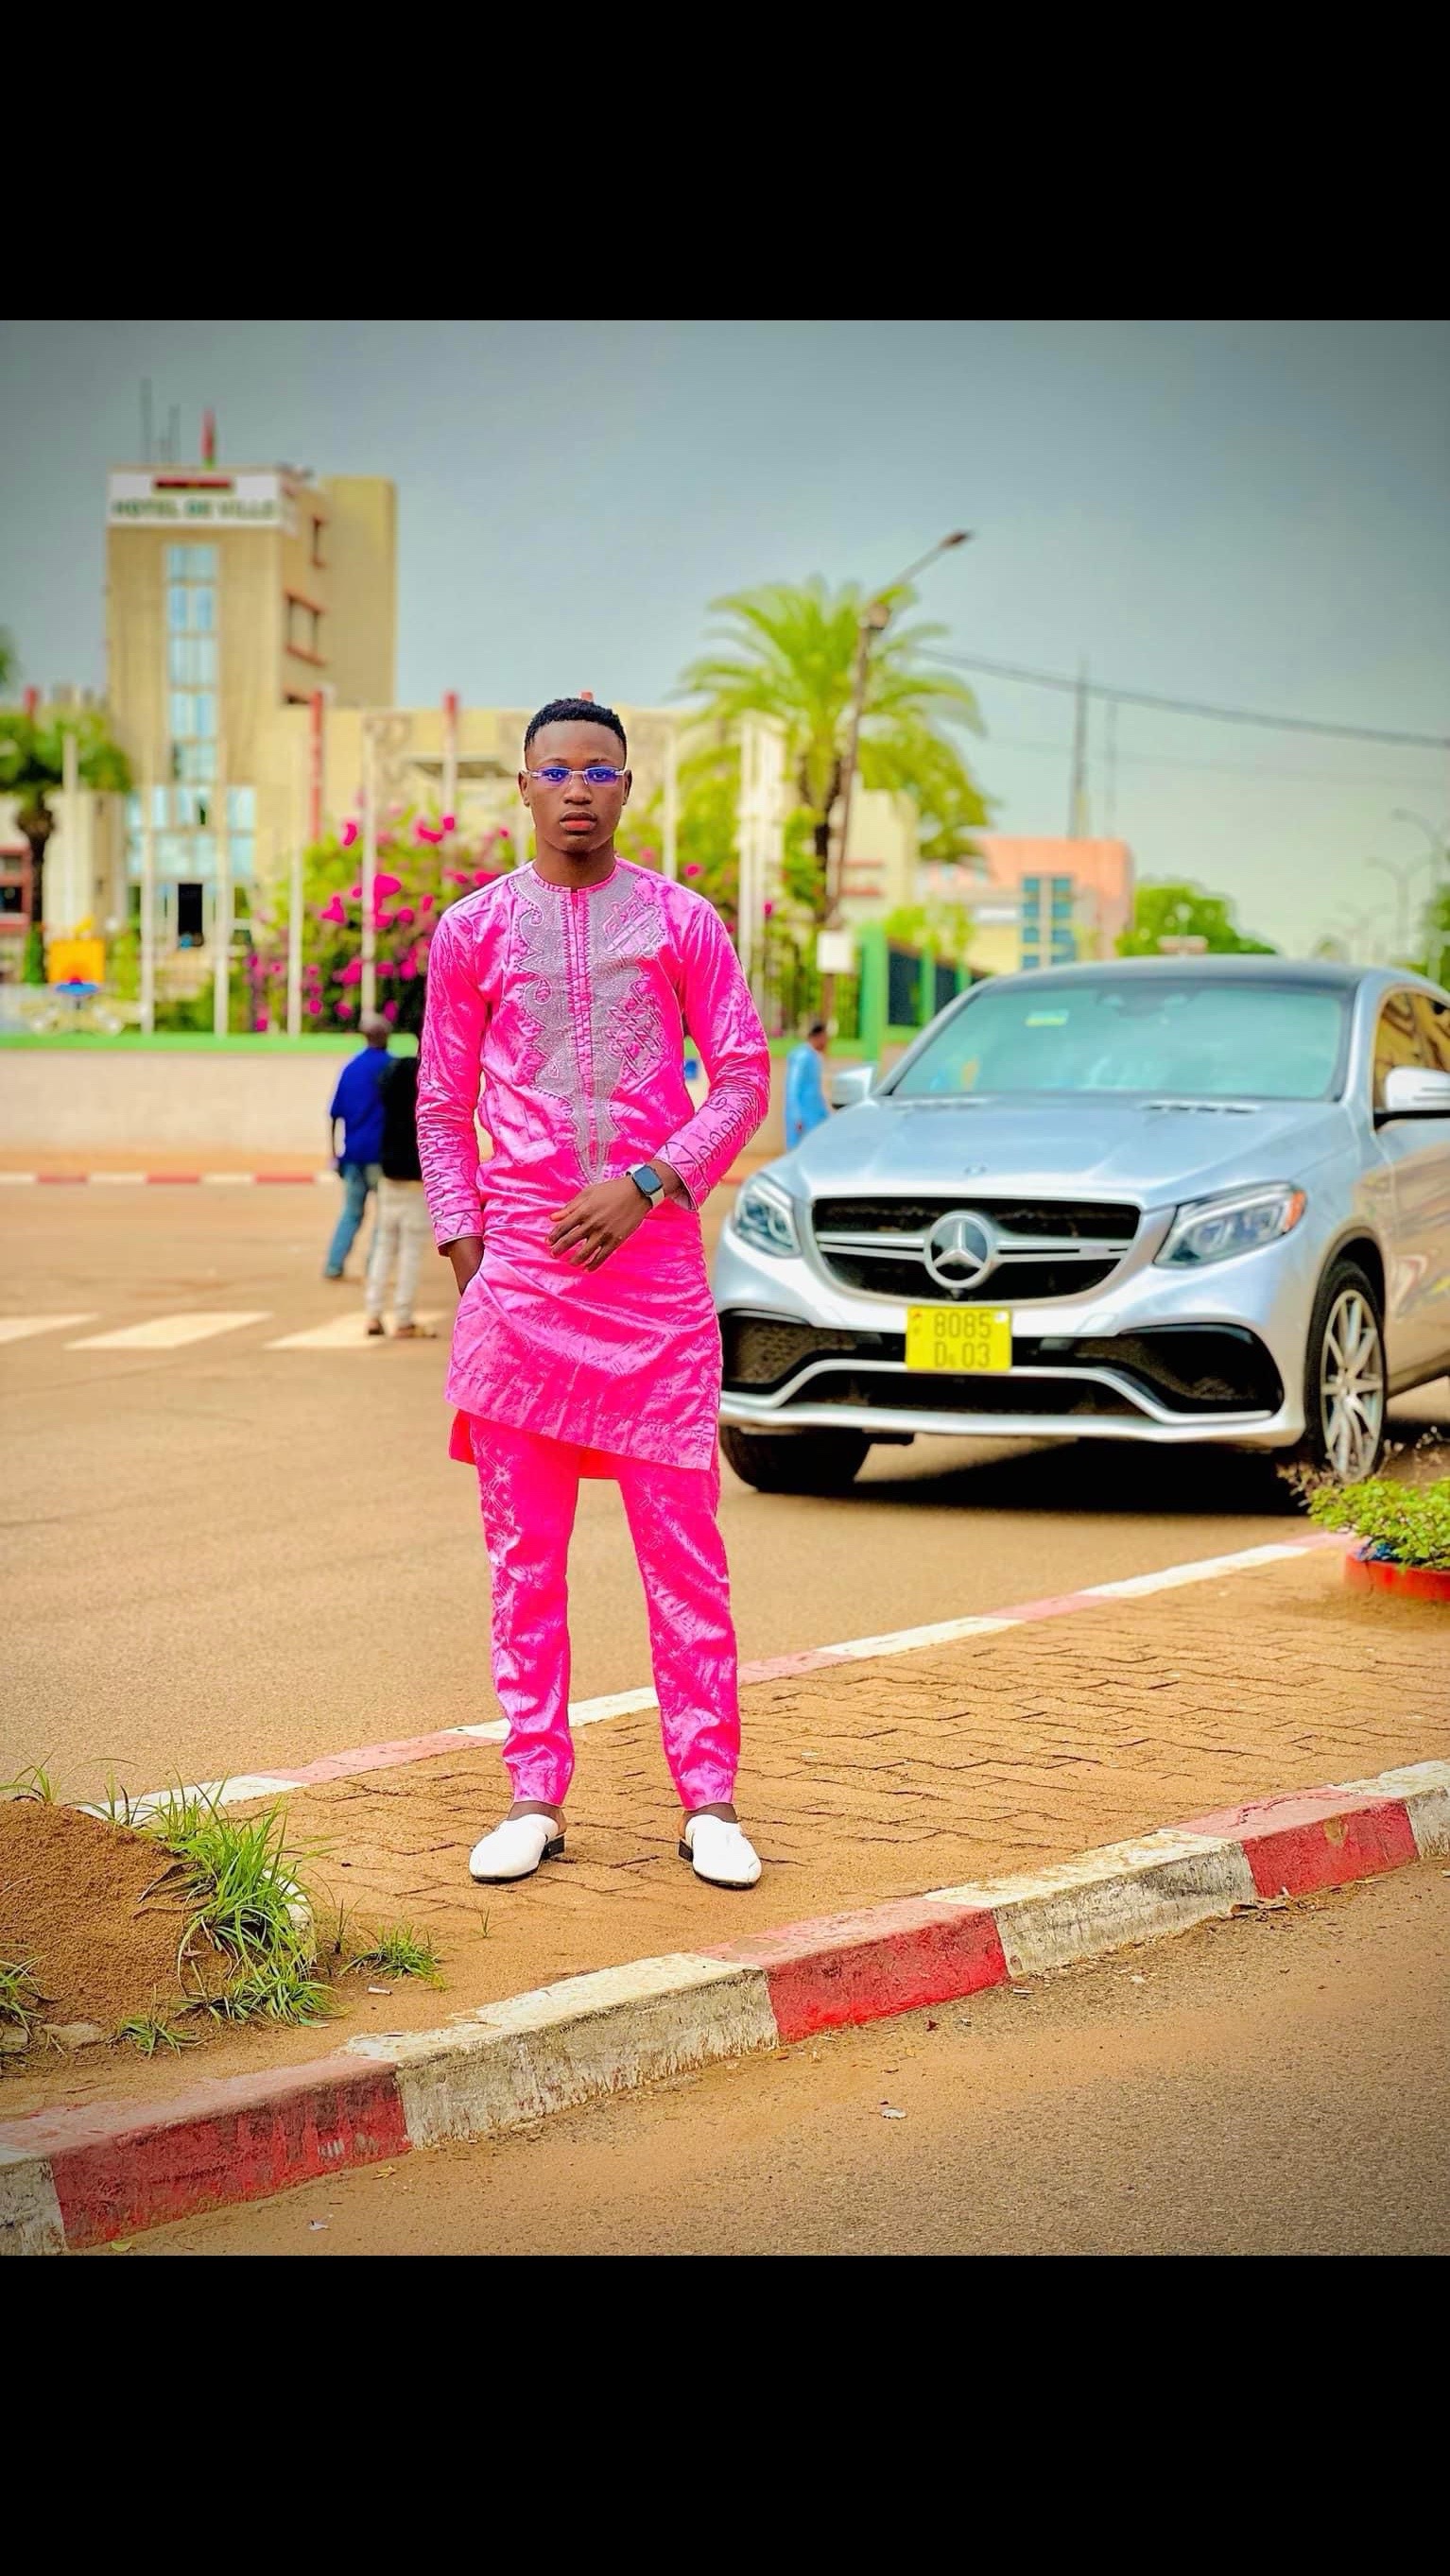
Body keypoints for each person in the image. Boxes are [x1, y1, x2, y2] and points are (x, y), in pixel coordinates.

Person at [418, 697, 770, 1891]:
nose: (578, 787)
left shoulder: (682, 920)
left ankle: (709, 1798)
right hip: (520, 1288)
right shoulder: (472, 929)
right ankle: (533, 1792)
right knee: (524, 1561)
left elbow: (741, 1074)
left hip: (654, 1284)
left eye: (600, 770)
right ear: (522, 786)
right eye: (556, 769)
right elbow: (441, 1103)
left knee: (685, 1556)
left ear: (628, 787)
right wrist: (471, 1253)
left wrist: (652, 1180)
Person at [364, 1052, 437, 1339]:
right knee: (410, 1252)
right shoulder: (424, 1104)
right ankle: (404, 1318)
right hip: (415, 1184)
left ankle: (373, 1313)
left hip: (388, 1179)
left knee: (384, 1246)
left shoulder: (388, 1096)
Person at [323, 1014, 391, 1280]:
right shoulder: (391, 1067)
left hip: (351, 1153)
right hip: (381, 1156)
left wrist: (334, 1153)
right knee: (384, 1216)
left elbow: (334, 1115)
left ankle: (334, 1264)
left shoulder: (351, 1068)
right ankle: (374, 1269)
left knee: (351, 1212)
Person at [785, 1017, 831, 1147]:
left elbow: (815, 1091)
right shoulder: (802, 1057)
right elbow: (793, 1088)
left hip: (814, 1117)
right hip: (802, 1119)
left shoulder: (813, 1057)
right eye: (825, 1037)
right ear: (818, 1036)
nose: (826, 1042)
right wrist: (796, 1116)